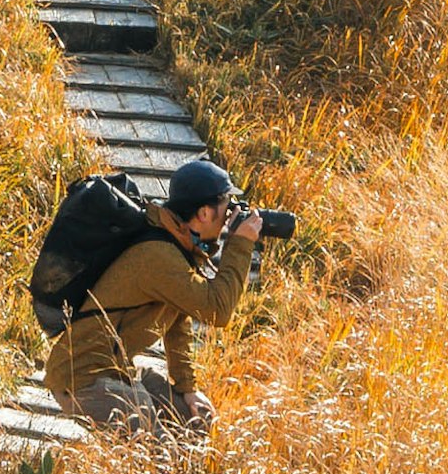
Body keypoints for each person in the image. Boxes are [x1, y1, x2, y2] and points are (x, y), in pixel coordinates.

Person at [40, 156, 277, 437]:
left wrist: (188, 389)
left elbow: (179, 323)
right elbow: (217, 311)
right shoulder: (159, 255)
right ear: (203, 213)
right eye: (226, 206)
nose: (230, 215)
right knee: (149, 434)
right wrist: (240, 244)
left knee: (191, 417)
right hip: (80, 377)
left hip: (112, 369)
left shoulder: (176, 243)